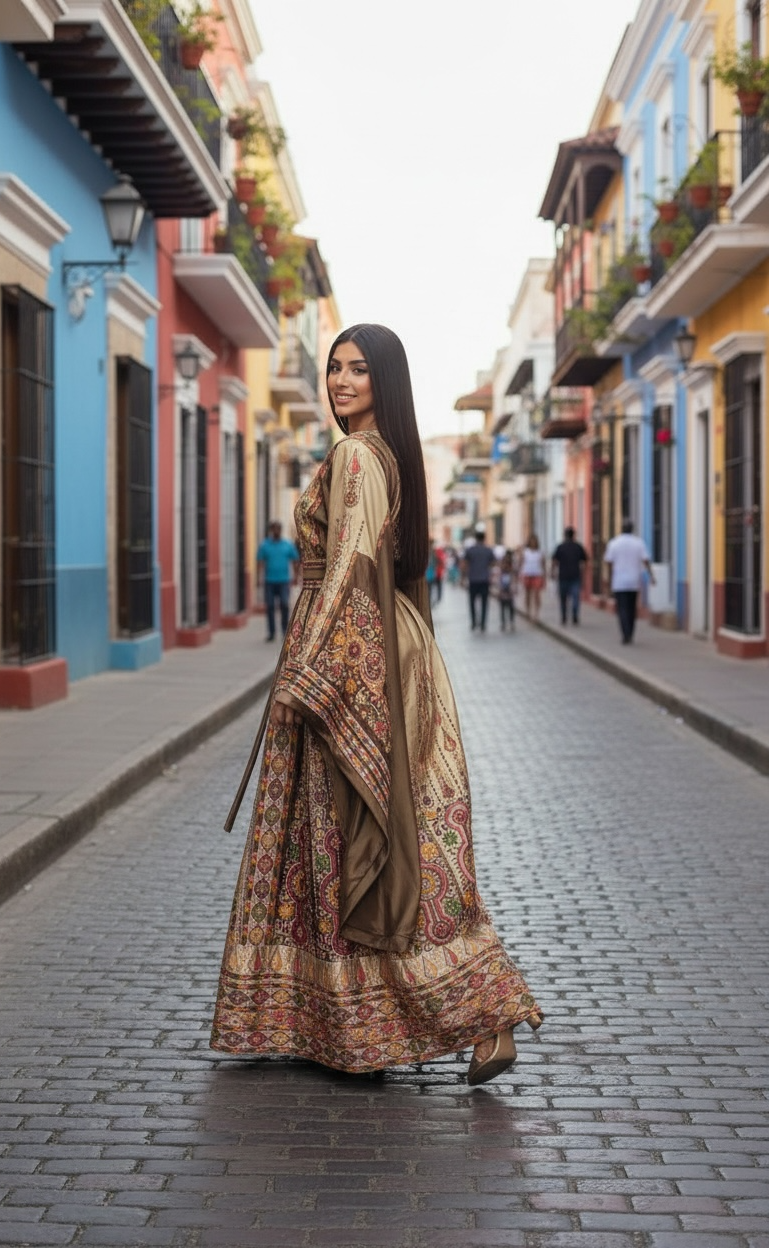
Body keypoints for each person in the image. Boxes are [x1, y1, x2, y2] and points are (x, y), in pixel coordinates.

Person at [212, 324, 542, 1085]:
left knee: (355, 835)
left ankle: (450, 1017)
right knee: (375, 836)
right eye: (334, 367)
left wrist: (312, 672)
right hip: (385, 647)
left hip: (351, 651)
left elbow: (353, 563)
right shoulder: (387, 454)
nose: (339, 380)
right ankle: (375, 1019)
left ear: (384, 381)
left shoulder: (358, 454)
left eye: (358, 370)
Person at [603, 518, 656, 644]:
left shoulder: (614, 543)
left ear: (621, 529)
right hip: (634, 581)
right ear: (632, 529)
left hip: (619, 582)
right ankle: (630, 633)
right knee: (632, 609)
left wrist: (609, 579)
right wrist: (651, 576)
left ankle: (625, 633)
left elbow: (609, 562)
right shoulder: (638, 543)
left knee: (622, 609)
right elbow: (646, 560)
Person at [256, 521, 300, 643]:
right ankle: (271, 633)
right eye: (274, 529)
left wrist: (296, 576)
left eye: (278, 529)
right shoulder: (265, 545)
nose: (276, 531)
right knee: (270, 606)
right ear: (271, 530)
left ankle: (285, 630)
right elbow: (260, 562)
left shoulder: (287, 545)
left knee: (284, 605)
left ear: (280, 530)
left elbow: (295, 560)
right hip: (269, 581)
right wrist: (258, 578)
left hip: (284, 581)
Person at [551, 527, 589, 626]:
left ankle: (564, 617)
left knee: (563, 598)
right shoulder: (578, 547)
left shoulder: (560, 547)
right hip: (575, 575)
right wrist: (583, 574)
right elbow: (585, 561)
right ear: (573, 535)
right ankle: (574, 615)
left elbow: (554, 561)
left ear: (565, 535)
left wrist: (552, 572)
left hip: (563, 576)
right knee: (575, 598)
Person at [461, 526, 495, 632]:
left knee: (472, 602)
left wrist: (463, 578)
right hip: (484, 579)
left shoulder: (470, 550)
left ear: (476, 538)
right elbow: (493, 563)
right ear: (484, 538)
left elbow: (464, 564)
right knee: (484, 602)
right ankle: (483, 623)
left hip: (473, 579)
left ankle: (474, 622)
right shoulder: (488, 550)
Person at [519, 534, 546, 620]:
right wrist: (519, 574)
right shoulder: (525, 552)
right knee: (527, 594)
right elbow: (521, 563)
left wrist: (544, 576)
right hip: (527, 573)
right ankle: (528, 611)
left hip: (537, 574)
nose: (533, 543)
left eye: (534, 541)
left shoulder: (540, 552)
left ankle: (536, 613)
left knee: (537, 594)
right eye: (531, 541)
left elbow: (543, 564)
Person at [498, 549, 516, 632]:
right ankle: (503, 622)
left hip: (510, 592)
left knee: (511, 607)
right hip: (503, 592)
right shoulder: (501, 573)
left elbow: (514, 582)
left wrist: (514, 589)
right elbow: (498, 582)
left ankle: (511, 621)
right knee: (502, 608)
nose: (505, 566)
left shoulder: (511, 573)